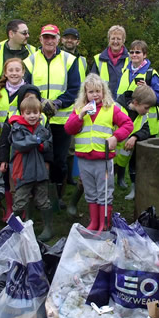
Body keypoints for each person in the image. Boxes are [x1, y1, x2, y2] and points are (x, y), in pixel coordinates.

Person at [65, 74, 133, 231]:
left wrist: (116, 137)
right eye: (91, 92)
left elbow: (127, 124)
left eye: (98, 91)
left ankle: (105, 223)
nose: (95, 95)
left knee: (104, 192)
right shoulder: (79, 110)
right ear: (85, 93)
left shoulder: (111, 109)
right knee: (90, 191)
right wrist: (80, 116)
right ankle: (94, 222)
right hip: (84, 159)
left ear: (103, 92)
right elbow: (69, 129)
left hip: (103, 159)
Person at [24, 24, 81, 211]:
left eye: (53, 37)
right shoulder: (30, 61)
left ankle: (58, 196)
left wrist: (57, 103)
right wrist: (39, 103)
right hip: (37, 120)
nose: (49, 41)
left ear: (58, 40)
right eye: (45, 37)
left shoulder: (70, 61)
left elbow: (75, 89)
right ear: (40, 40)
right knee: (38, 158)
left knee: (59, 160)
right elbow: (26, 88)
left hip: (62, 120)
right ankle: (38, 196)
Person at [113, 40, 159, 189]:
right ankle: (120, 179)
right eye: (132, 52)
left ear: (145, 55)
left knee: (139, 158)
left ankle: (139, 187)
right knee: (122, 152)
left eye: (138, 52)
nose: (134, 55)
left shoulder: (151, 74)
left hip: (145, 123)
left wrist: (149, 90)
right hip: (126, 119)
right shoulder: (125, 71)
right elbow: (119, 94)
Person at [6, 96, 54, 241]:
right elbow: (20, 144)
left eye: (35, 112)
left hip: (40, 171)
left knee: (43, 200)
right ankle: (15, 229)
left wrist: (41, 143)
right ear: (22, 114)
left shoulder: (42, 128)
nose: (32, 116)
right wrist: (37, 140)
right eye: (28, 113)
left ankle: (48, 228)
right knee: (20, 201)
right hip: (23, 171)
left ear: (40, 114)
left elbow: (48, 145)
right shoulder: (17, 128)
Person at [0, 58, 28, 221]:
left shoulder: (27, 91)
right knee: (4, 171)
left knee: (20, 173)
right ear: (5, 73)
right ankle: (9, 207)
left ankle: (22, 207)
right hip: (3, 139)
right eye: (10, 70)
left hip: (20, 138)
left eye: (17, 70)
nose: (14, 73)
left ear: (23, 72)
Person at [114, 85, 156, 201]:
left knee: (134, 166)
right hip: (112, 150)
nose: (147, 111)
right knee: (109, 171)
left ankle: (134, 189)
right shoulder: (117, 108)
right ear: (136, 102)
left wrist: (135, 136)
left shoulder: (142, 115)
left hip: (127, 151)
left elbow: (145, 130)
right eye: (146, 108)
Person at [60, 27, 87, 188]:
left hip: (78, 107)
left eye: (73, 38)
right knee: (62, 147)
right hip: (60, 106)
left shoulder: (82, 60)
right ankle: (61, 179)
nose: (69, 41)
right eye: (67, 38)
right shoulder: (58, 57)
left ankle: (70, 176)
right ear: (62, 40)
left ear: (77, 41)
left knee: (73, 146)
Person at [91, 25, 129, 98]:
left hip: (124, 103)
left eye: (118, 39)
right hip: (103, 102)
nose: (115, 41)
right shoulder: (98, 59)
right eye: (113, 38)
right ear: (109, 40)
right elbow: (92, 83)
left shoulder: (131, 59)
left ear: (123, 40)